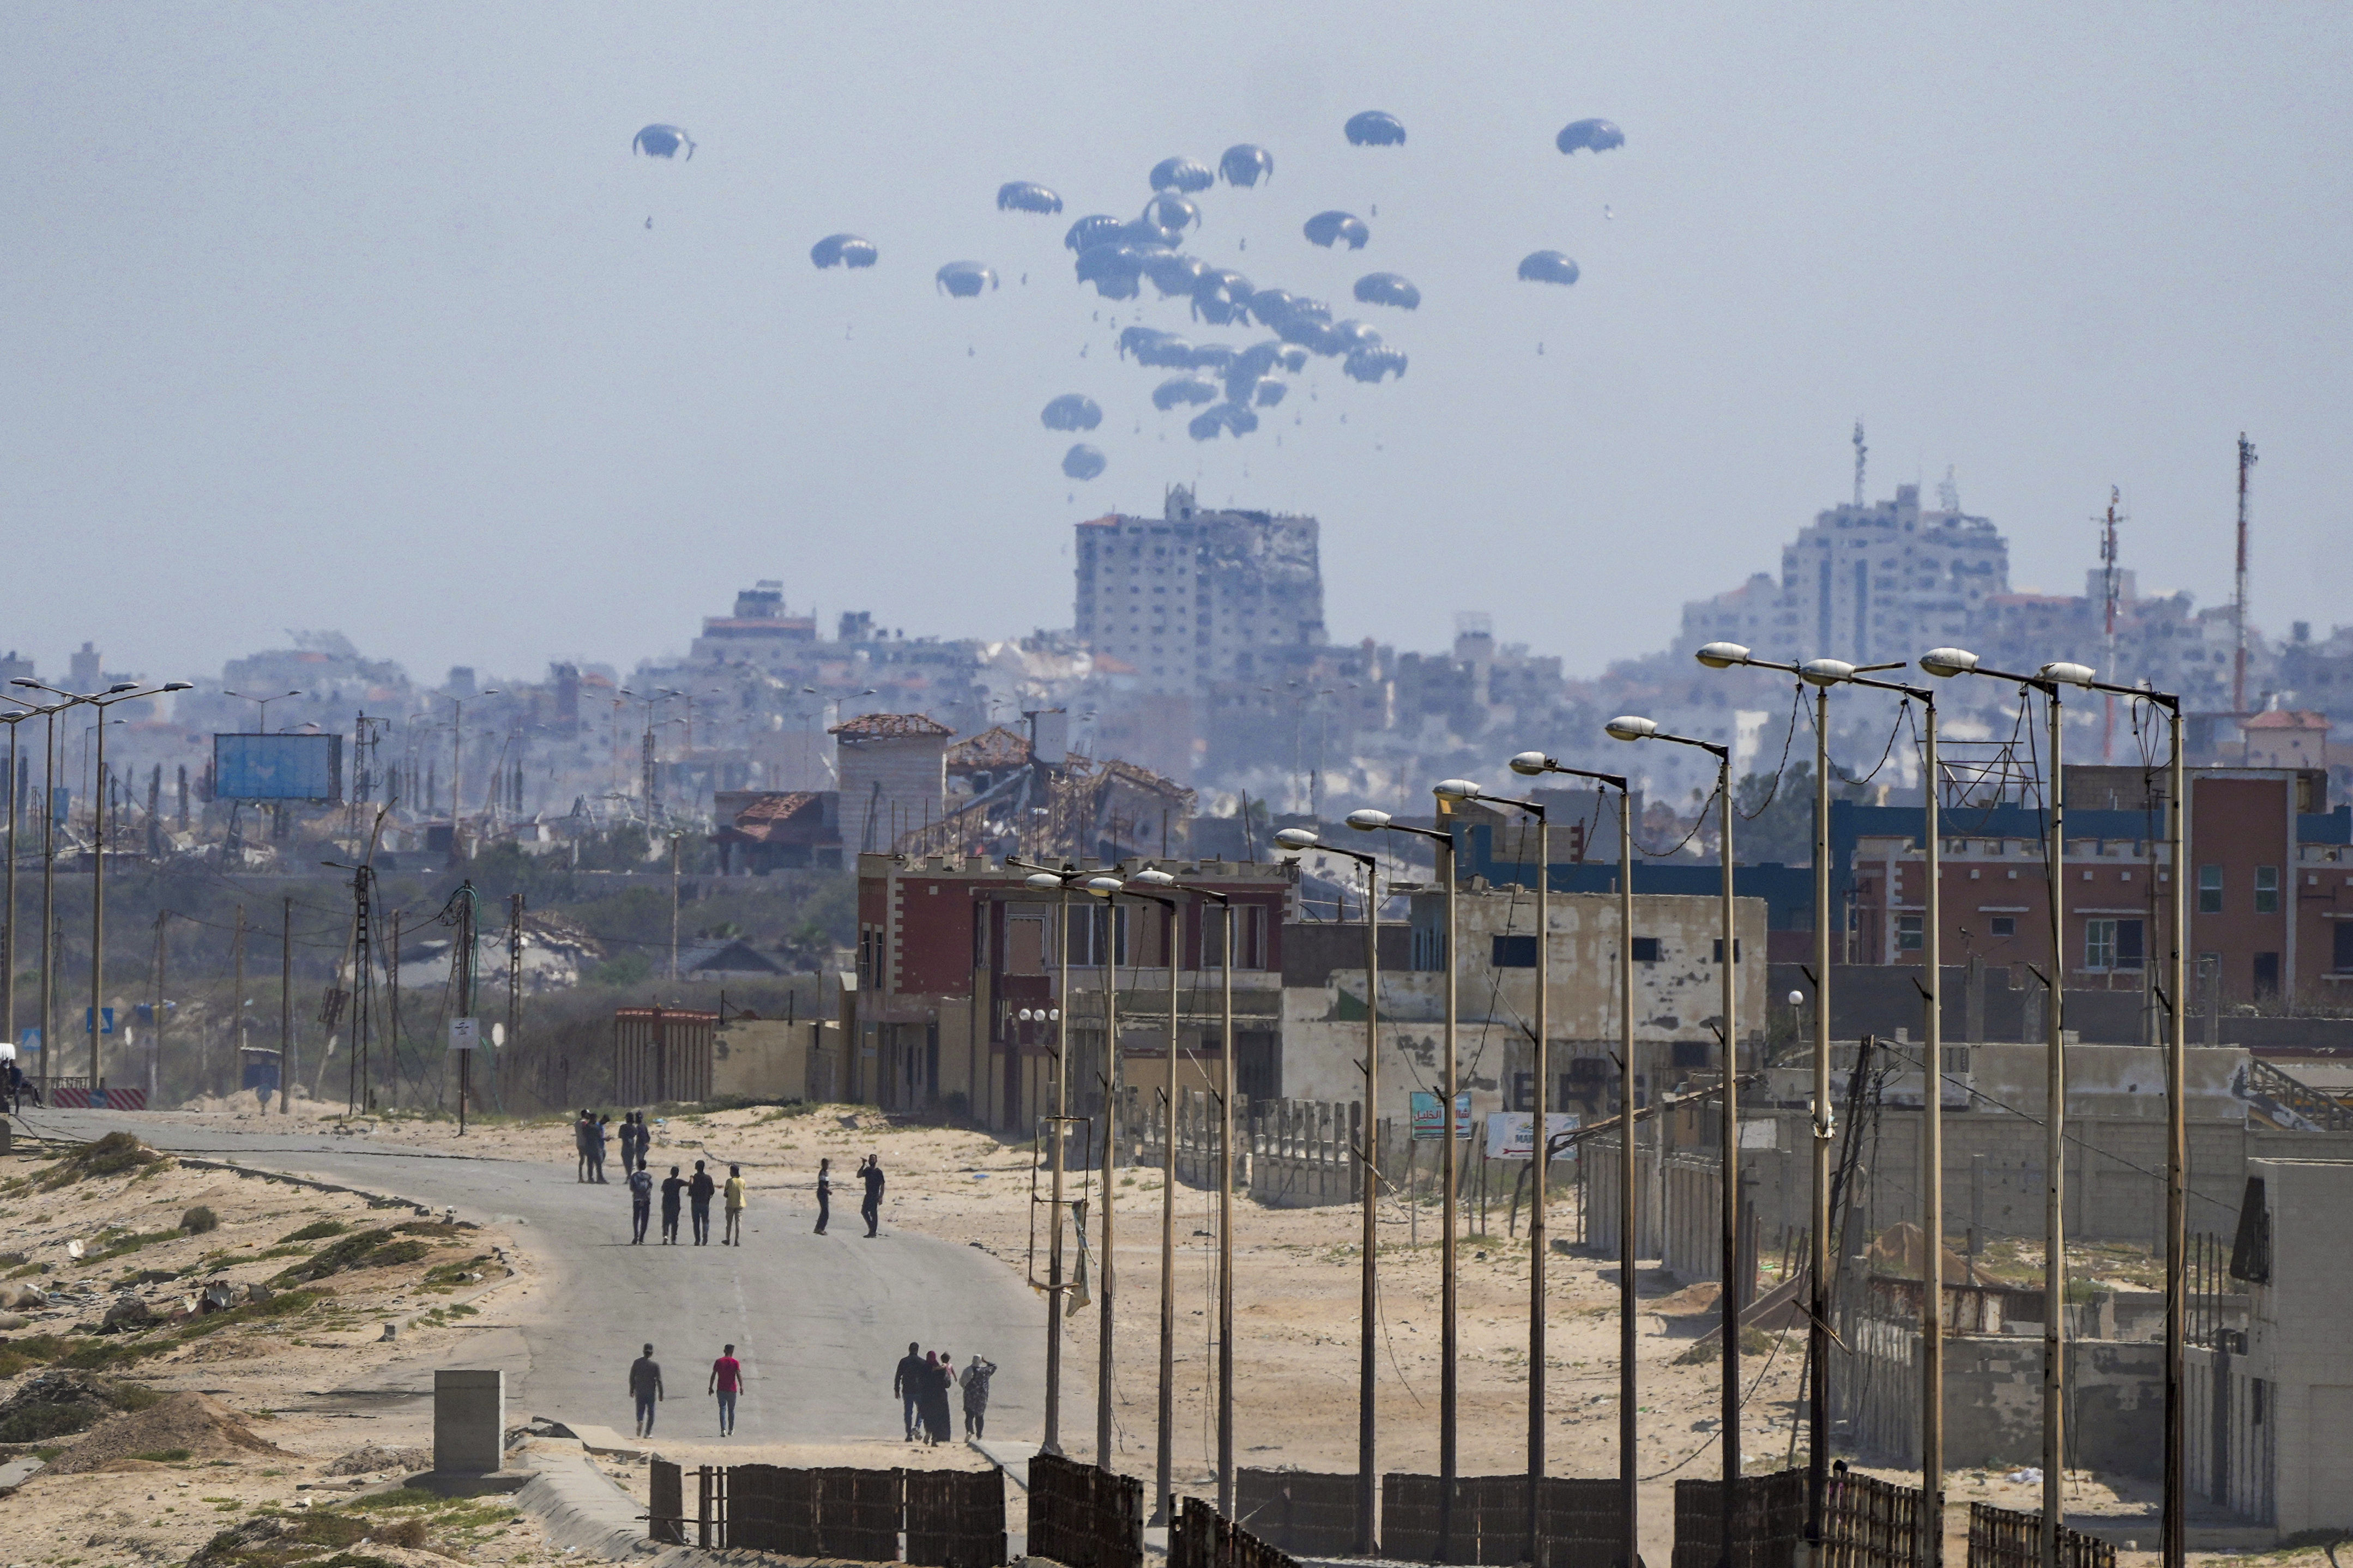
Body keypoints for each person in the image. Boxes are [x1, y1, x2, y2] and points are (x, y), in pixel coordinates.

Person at [893, 1341, 927, 1443]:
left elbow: (898, 1375)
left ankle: (909, 1434)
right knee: (921, 1410)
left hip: (907, 1390)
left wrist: (897, 1389)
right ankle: (917, 1427)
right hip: (919, 1390)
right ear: (917, 1350)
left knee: (908, 1412)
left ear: (909, 1350)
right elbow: (926, 1378)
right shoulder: (922, 1362)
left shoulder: (904, 1361)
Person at [708, 1343, 744, 1437]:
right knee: (731, 1410)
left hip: (721, 1389)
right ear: (732, 1352)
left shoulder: (719, 1362)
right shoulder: (735, 1362)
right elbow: (738, 1375)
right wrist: (741, 1387)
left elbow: (714, 1375)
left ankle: (723, 1429)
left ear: (725, 1351)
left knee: (722, 1409)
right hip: (732, 1390)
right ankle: (731, 1430)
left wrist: (710, 1387)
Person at [629, 1342, 664, 1437]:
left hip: (639, 1391)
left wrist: (632, 1389)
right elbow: (659, 1380)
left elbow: (632, 1377)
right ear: (651, 1353)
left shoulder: (637, 1363)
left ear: (643, 1352)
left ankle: (640, 1420)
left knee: (640, 1409)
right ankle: (647, 1433)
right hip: (651, 1393)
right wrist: (661, 1394)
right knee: (651, 1413)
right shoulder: (655, 1365)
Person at [958, 1354, 996, 1439]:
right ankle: (979, 1435)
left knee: (969, 1415)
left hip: (970, 1396)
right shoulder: (985, 1371)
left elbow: (962, 1382)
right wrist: (986, 1361)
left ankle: (969, 1431)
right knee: (980, 1416)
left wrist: (966, 1388)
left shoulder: (967, 1370)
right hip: (981, 1398)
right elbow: (994, 1366)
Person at [918, 1351, 952, 1445]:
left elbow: (920, 1381)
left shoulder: (924, 1368)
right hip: (940, 1397)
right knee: (938, 1417)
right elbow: (947, 1384)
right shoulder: (941, 1369)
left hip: (927, 1396)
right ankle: (935, 1438)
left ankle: (928, 1431)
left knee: (928, 1416)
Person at [687, 1160, 716, 1246]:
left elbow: (690, 1191)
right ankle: (705, 1234)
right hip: (705, 1203)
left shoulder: (694, 1178)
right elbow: (712, 1191)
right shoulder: (708, 1178)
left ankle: (697, 1240)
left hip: (695, 1202)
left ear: (696, 1168)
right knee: (705, 1221)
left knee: (696, 1222)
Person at [659, 1165, 686, 1245]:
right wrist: (692, 1177)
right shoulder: (679, 1182)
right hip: (676, 1203)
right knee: (675, 1221)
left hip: (666, 1202)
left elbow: (662, 1190)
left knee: (666, 1220)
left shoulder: (666, 1181)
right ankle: (674, 1239)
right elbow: (690, 1183)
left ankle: (665, 1235)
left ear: (671, 1173)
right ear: (677, 1174)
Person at [859, 1154, 885, 1238]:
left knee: (874, 1214)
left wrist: (881, 1197)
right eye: (870, 1159)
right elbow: (858, 1175)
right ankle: (872, 1229)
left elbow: (882, 1185)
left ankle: (872, 1232)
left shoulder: (879, 1172)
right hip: (868, 1195)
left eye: (873, 1159)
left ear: (876, 1161)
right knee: (864, 1212)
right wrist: (863, 1165)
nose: (872, 1161)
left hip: (875, 1195)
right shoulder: (867, 1170)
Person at [628, 1162, 654, 1244]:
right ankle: (642, 1238)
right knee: (645, 1219)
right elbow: (650, 1188)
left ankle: (636, 1235)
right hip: (646, 1200)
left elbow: (632, 1188)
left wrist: (638, 1194)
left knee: (636, 1218)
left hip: (637, 1199)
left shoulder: (634, 1176)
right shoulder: (649, 1176)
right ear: (645, 1166)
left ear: (638, 1167)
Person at [722, 1164, 748, 1246]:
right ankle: (737, 1241)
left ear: (732, 1172)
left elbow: (726, 1193)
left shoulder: (729, 1181)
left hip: (730, 1204)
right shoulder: (743, 1181)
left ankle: (728, 1239)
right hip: (740, 1204)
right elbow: (743, 1190)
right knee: (738, 1223)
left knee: (729, 1223)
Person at [591, 1115, 612, 1183]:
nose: (605, 1123)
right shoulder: (597, 1126)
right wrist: (606, 1138)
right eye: (605, 1121)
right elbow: (599, 1136)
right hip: (598, 1147)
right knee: (599, 1163)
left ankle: (599, 1178)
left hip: (602, 1146)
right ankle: (600, 1178)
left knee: (600, 1163)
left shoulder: (602, 1127)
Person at [813, 1158, 832, 1236]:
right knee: (825, 1212)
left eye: (828, 1164)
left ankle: (819, 1228)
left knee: (825, 1211)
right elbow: (822, 1185)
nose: (827, 1166)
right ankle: (820, 1229)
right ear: (823, 1164)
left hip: (824, 1194)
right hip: (822, 1193)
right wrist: (828, 1190)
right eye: (826, 1164)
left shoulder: (826, 1173)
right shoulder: (822, 1173)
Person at [575, 1110, 594, 1183]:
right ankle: (590, 1177)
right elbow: (586, 1132)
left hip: (579, 1142)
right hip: (585, 1143)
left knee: (582, 1160)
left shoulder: (577, 1122)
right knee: (590, 1160)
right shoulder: (584, 1123)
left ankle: (580, 1177)